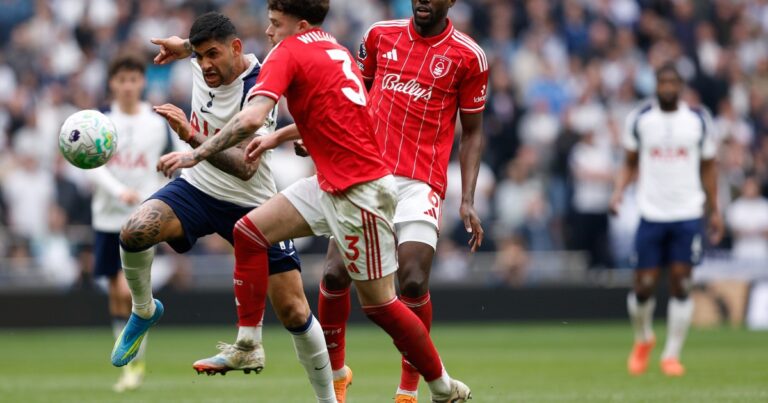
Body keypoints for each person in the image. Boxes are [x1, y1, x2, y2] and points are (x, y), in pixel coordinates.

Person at [152, 1, 471, 401]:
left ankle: (441, 387)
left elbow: (250, 119)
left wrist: (194, 152)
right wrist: (282, 137)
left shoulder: (288, 50)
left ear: (298, 24)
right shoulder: (333, 48)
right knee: (249, 232)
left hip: (360, 193)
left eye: (274, 23)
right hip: (332, 181)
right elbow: (344, 116)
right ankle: (248, 344)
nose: (268, 32)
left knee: (380, 306)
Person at [110, 13, 335, 402]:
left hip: (251, 202)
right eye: (199, 57)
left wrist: (190, 137)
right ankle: (144, 310)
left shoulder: (261, 87)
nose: (205, 65)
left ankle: (328, 399)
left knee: (295, 311)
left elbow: (247, 168)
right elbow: (194, 47)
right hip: (197, 190)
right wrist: (180, 47)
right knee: (135, 230)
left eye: (212, 55)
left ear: (236, 49)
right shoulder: (202, 59)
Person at [316, 0, 488, 401]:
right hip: (366, 173)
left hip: (420, 183)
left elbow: (474, 132)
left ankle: (408, 391)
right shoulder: (379, 36)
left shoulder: (469, 56)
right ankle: (337, 376)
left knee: (412, 280)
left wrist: (467, 199)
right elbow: (354, 95)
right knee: (334, 274)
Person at [610, 63, 724, 377]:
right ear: (656, 86)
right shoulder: (641, 119)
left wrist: (714, 210)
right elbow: (630, 162)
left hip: (688, 212)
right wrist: (618, 192)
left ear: (681, 86)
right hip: (652, 212)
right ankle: (644, 338)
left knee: (681, 282)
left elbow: (709, 167)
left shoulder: (698, 120)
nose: (668, 87)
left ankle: (671, 355)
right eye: (663, 82)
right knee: (643, 285)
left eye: (673, 82)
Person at [87, 53, 172, 392]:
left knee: (130, 290)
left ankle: (135, 362)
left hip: (142, 219)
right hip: (107, 217)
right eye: (121, 80)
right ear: (112, 83)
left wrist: (161, 197)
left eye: (133, 79)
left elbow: (172, 161)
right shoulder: (100, 123)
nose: (127, 86)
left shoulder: (156, 122)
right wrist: (117, 190)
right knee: (116, 295)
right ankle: (131, 363)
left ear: (142, 82)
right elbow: (90, 165)